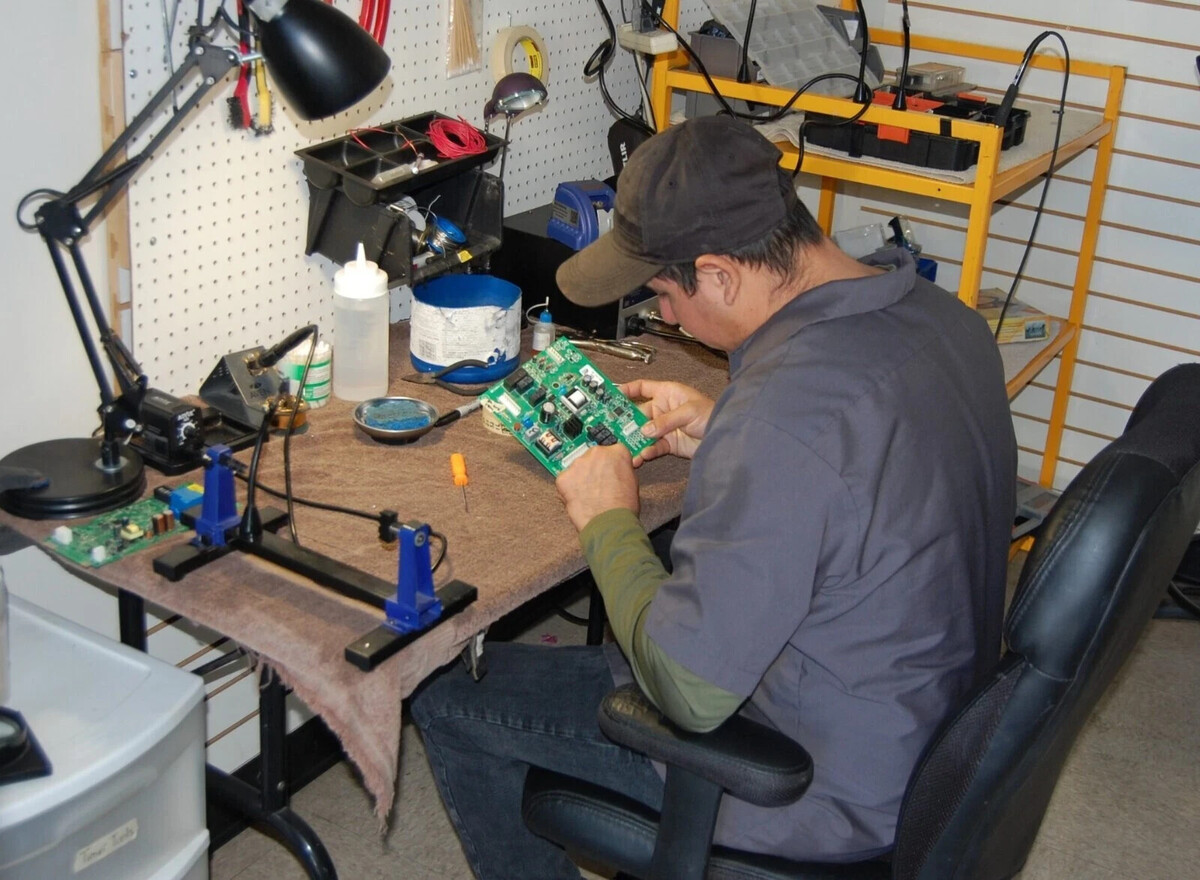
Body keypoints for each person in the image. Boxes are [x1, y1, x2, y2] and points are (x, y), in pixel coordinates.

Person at [410, 115, 1017, 878]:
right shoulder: (948, 320)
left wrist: (608, 517)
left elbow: (687, 692)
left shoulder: (782, 421)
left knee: (445, 696)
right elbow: (868, 457)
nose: (664, 316)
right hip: (930, 736)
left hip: (818, 787)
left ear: (721, 274)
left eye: (665, 293)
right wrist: (730, 427)